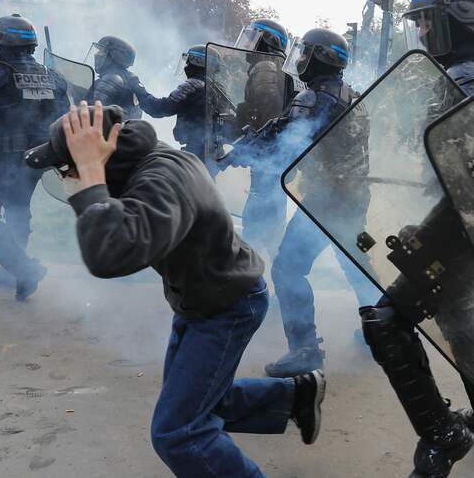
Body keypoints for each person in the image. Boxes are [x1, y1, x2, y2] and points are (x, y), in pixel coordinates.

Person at [24, 101, 326, 478]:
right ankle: (295, 396)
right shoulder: (144, 161)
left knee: (179, 433)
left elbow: (110, 255)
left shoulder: (159, 179)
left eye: (66, 166)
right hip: (206, 298)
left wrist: (90, 175)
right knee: (192, 403)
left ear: (102, 158)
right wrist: (94, 175)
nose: (66, 175)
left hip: (226, 305)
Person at [353, 0, 474, 478]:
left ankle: (444, 436)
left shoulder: (468, 78)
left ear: (452, 20)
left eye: (426, 19)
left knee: (385, 323)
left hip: (466, 223)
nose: (421, 30)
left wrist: (429, 232)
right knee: (459, 314)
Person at [224, 28, 381, 377]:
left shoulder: (313, 99)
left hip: (325, 201)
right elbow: (284, 128)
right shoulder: (352, 96)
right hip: (354, 196)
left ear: (316, 57)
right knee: (356, 264)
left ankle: (305, 349)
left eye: (304, 53)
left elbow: (284, 142)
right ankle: (383, 332)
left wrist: (245, 154)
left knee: (287, 267)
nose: (299, 60)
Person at [0, 14, 70, 299]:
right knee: (17, 209)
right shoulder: (54, 77)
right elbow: (63, 120)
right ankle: (10, 272)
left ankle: (24, 269)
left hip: (6, 160)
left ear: (1, 41)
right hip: (38, 159)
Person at [232, 19, 298, 249]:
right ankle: (265, 261)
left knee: (258, 220)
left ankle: (256, 268)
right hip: (274, 160)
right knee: (269, 215)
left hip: (268, 160)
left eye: (252, 37)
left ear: (266, 41)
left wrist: (249, 145)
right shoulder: (275, 68)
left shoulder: (266, 70)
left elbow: (269, 121)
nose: (247, 44)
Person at [133, 45, 234, 176]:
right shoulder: (218, 89)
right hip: (213, 152)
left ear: (198, 62)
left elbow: (159, 109)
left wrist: (139, 89)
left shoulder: (192, 85)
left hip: (195, 153)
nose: (186, 65)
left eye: (189, 60)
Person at [84, 35, 143, 119]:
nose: (96, 54)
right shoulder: (126, 79)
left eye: (102, 51)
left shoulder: (111, 79)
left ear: (114, 55)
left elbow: (91, 114)